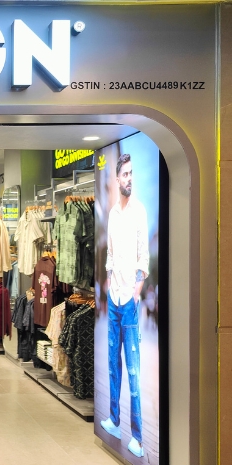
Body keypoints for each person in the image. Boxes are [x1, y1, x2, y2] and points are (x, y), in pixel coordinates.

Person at [100, 153, 148, 458]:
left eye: (132, 173)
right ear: (117, 178)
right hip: (114, 297)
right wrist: (108, 281)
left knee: (133, 370)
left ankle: (139, 437)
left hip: (128, 300)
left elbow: (144, 256)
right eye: (125, 174)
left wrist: (136, 290)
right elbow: (111, 252)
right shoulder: (113, 214)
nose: (129, 178)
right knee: (113, 365)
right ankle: (115, 421)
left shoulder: (139, 211)